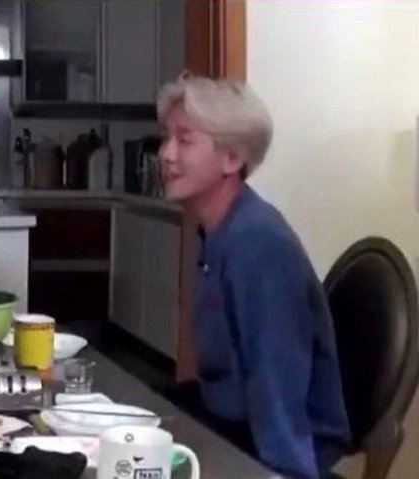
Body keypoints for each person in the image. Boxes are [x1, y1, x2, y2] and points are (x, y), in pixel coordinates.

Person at [157, 74, 350, 479]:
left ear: (232, 159)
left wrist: (283, 472)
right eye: (166, 138)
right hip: (225, 413)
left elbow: (276, 383)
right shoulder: (217, 229)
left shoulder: (257, 242)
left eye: (185, 140)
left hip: (273, 442)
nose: (166, 154)